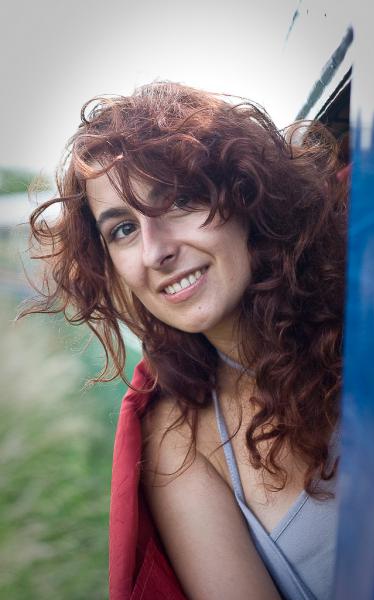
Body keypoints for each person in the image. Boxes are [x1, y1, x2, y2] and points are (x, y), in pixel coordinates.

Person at [23, 81, 347, 600]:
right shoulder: (181, 442)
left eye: (177, 199)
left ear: (246, 192)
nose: (155, 251)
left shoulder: (372, 291)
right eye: (123, 230)